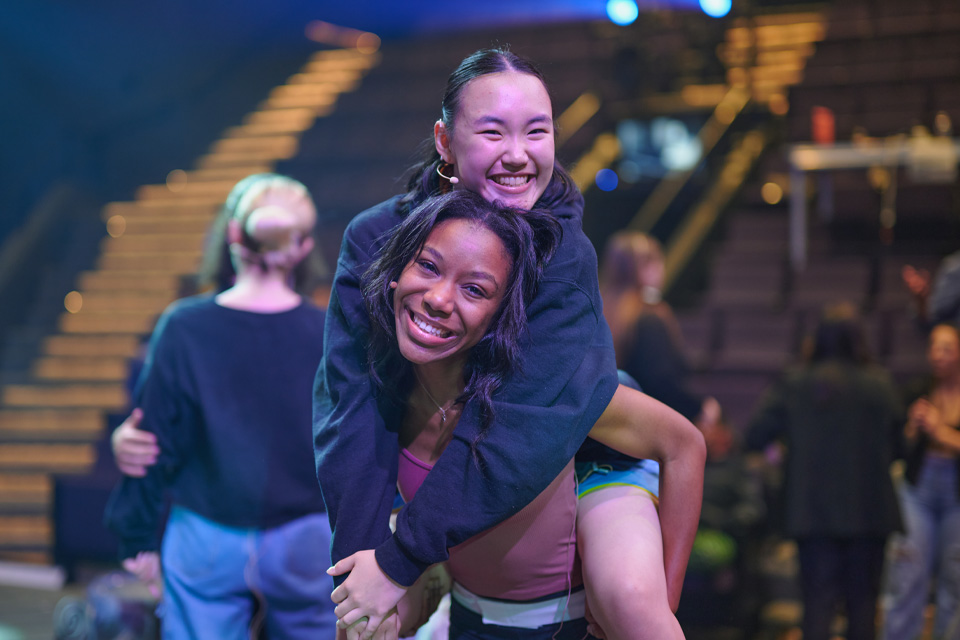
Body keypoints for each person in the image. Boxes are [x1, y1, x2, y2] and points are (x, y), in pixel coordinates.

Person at [315, 48, 704, 640]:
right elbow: (352, 407)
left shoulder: (563, 257)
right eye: (493, 131)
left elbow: (523, 429)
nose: (518, 155)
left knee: (629, 598)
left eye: (537, 132)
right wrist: (362, 570)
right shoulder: (374, 237)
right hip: (472, 478)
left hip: (583, 441)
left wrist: (398, 562)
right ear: (445, 141)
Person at [357, 189, 696, 639]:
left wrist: (660, 602)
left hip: (575, 611)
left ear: (502, 314)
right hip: (471, 620)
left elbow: (683, 444)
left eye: (475, 289)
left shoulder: (544, 396)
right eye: (428, 265)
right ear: (397, 270)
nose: (439, 298)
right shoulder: (375, 393)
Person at [104, 173, 337, 640]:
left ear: (233, 234)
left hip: (204, 535)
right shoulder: (331, 331)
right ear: (301, 247)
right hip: (309, 536)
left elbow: (150, 440)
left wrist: (137, 536)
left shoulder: (183, 326)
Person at [746, 303, 904, 640]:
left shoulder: (796, 383)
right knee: (863, 609)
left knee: (816, 609)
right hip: (869, 515)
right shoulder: (879, 385)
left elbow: (755, 435)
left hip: (813, 516)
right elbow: (901, 445)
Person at [881, 322, 960, 640]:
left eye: (947, 348)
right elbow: (896, 447)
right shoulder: (918, 391)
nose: (938, 355)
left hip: (956, 494)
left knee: (954, 582)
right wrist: (913, 429)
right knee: (908, 575)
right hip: (918, 490)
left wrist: (940, 431)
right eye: (933, 347)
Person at [598, 230, 720, 427]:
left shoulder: (598, 313)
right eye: (655, 262)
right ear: (644, 269)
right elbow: (662, 385)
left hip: (608, 428)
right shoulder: (649, 317)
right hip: (645, 428)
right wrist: (701, 408)